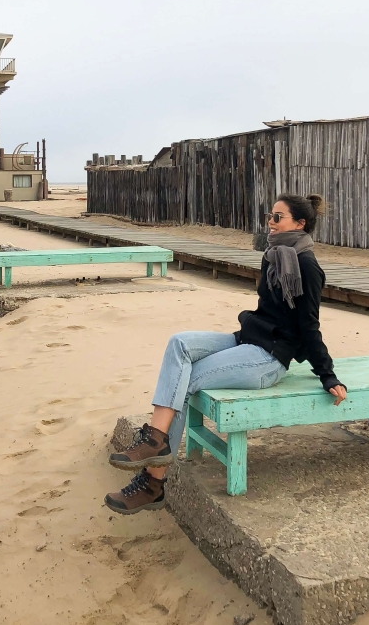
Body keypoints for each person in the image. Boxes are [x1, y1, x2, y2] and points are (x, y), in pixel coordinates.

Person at [104, 193, 347, 515]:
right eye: (269, 216)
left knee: (187, 381)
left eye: (278, 217)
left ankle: (152, 482)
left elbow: (309, 327)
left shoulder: (306, 265)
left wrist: (327, 374)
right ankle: (155, 440)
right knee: (180, 342)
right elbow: (266, 312)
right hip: (247, 339)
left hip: (268, 358)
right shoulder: (274, 256)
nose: (270, 223)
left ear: (300, 224)